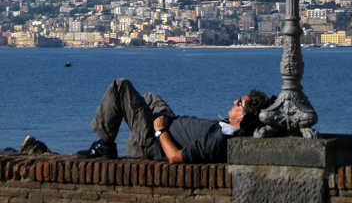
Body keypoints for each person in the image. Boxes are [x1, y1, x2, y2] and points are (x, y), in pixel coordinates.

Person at [77, 78, 271, 163]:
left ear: (243, 115)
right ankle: (136, 148)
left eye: (238, 103)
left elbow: (176, 157)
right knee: (150, 98)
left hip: (156, 140)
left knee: (120, 86)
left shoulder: (219, 140)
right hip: (169, 122)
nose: (233, 101)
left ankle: (105, 145)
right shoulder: (228, 128)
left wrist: (161, 132)